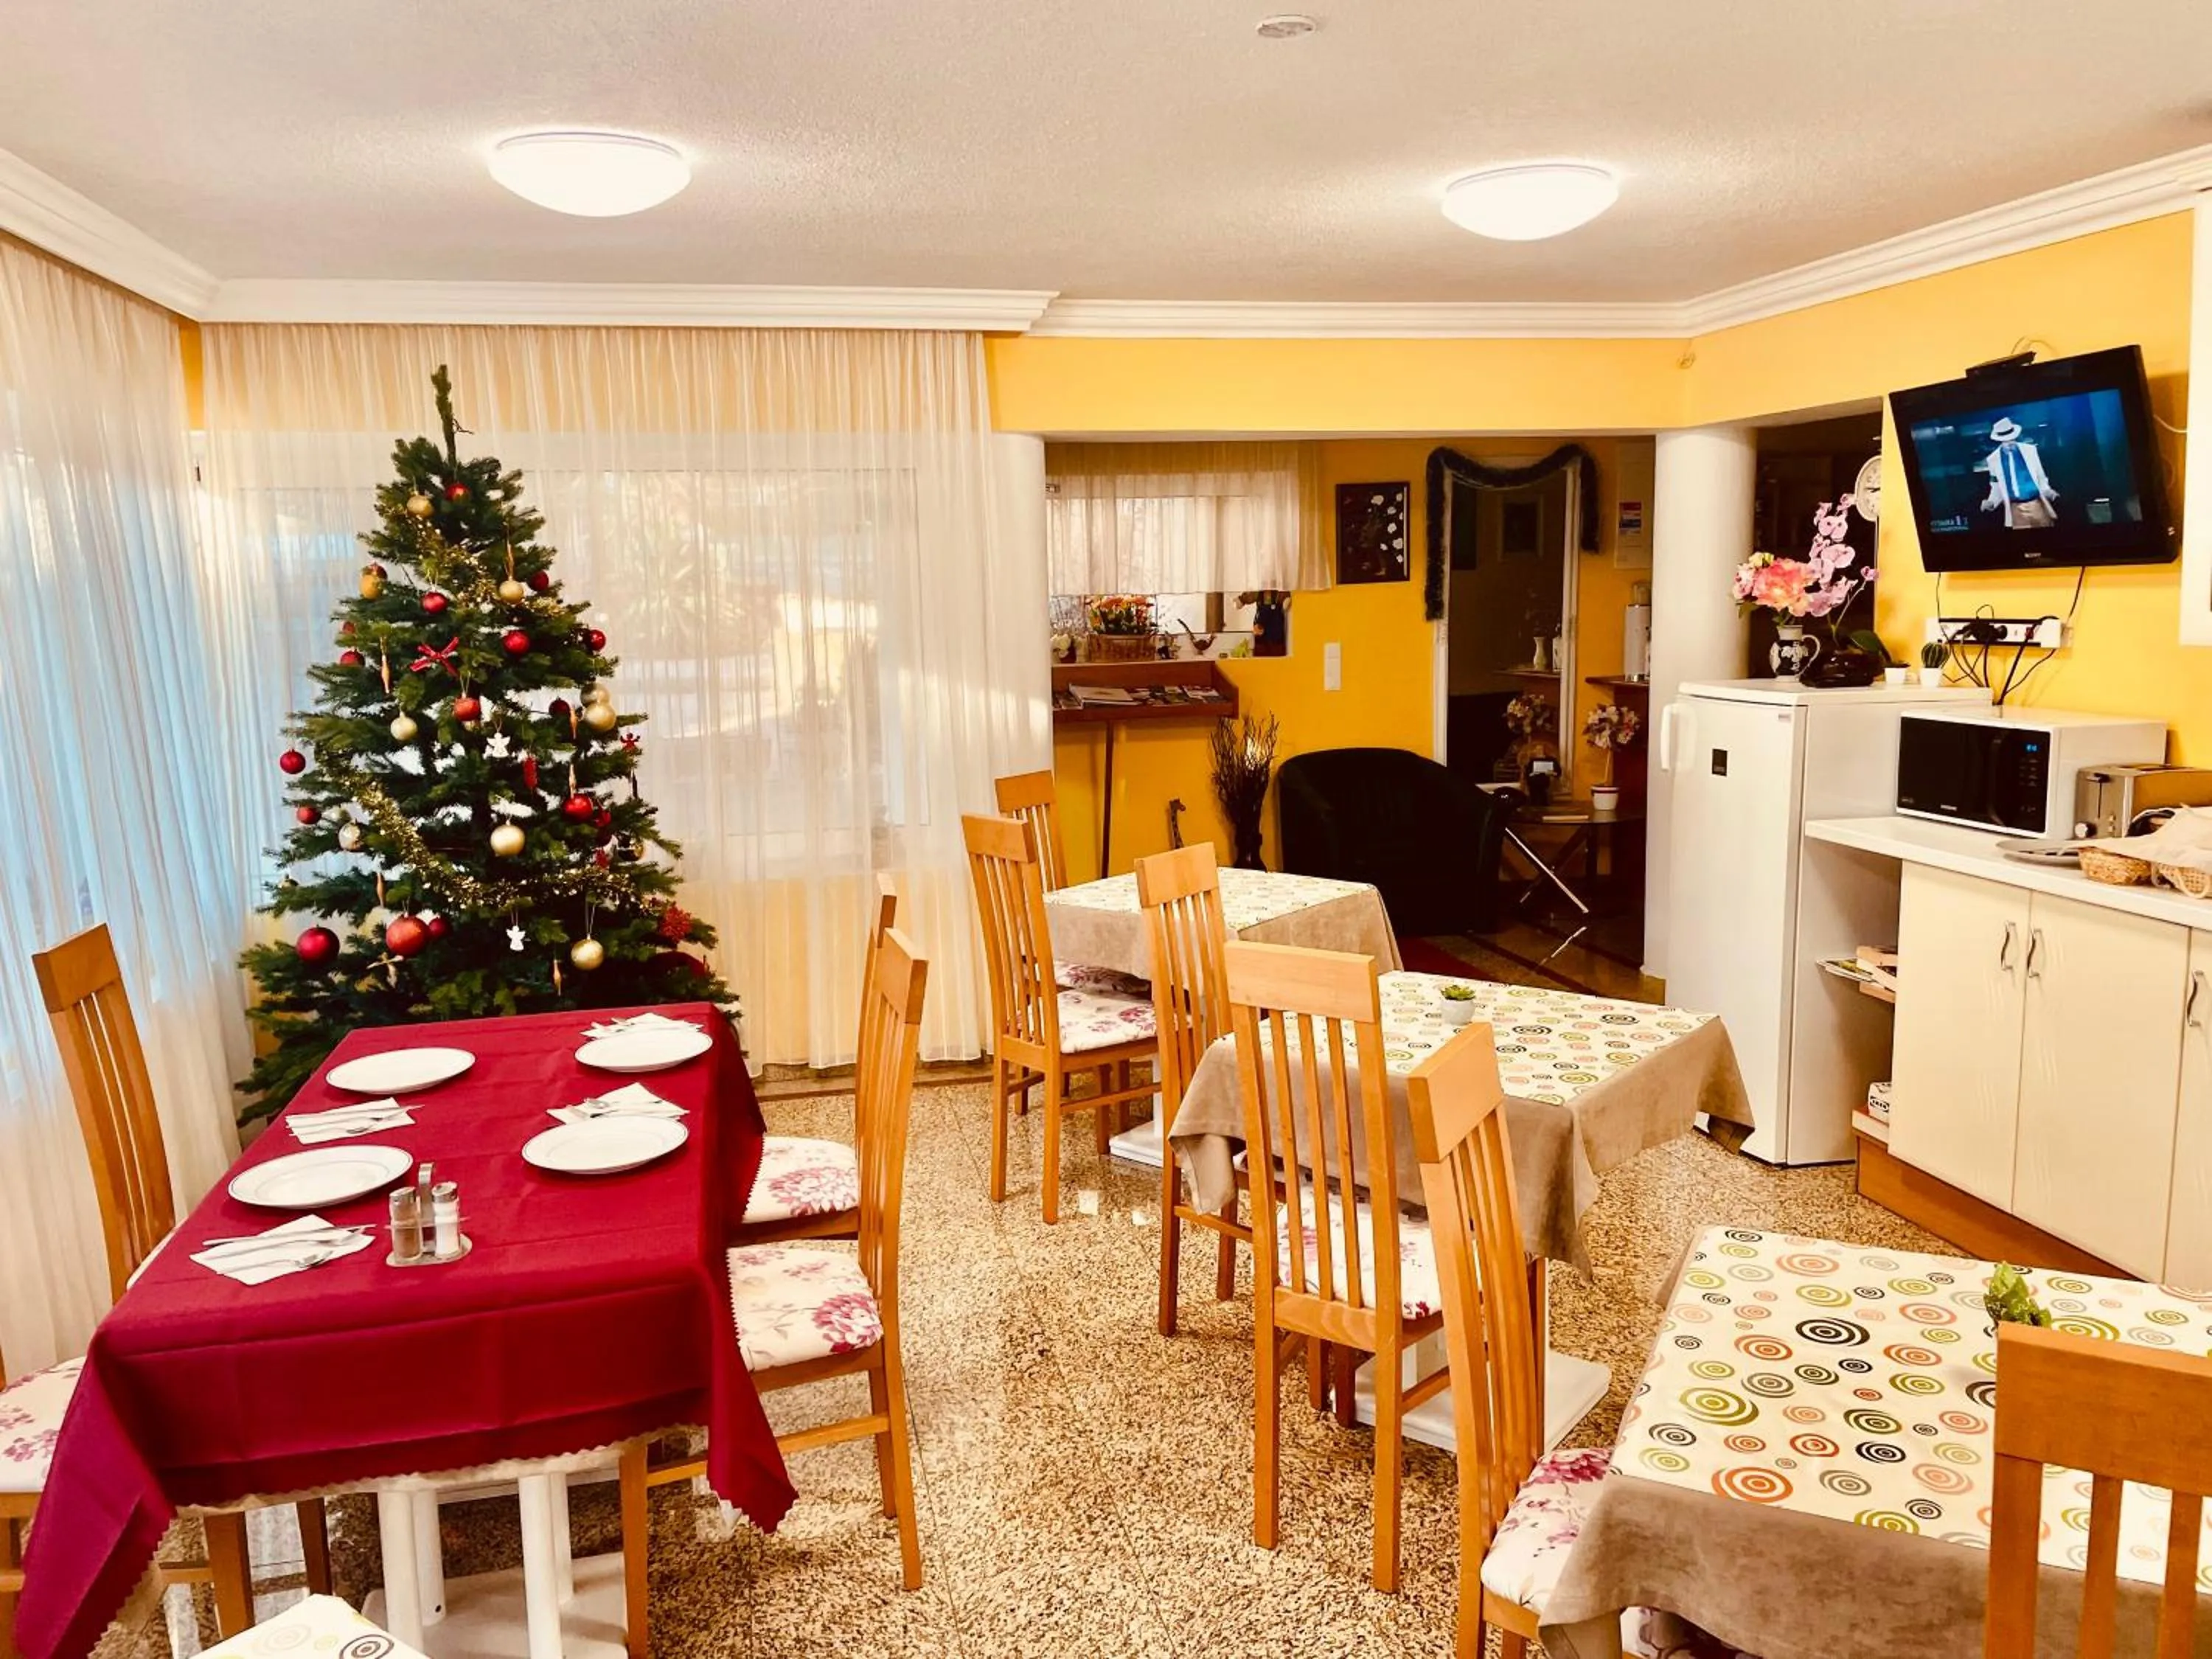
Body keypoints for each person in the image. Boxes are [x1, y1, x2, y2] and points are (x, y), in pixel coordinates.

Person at [1978, 415, 2059, 529]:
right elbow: (1996, 486)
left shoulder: (2030, 451)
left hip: (2037, 505)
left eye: (2012, 438)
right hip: (2016, 509)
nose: (2010, 442)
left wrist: (2047, 490)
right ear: (1999, 440)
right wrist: (1991, 502)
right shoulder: (1993, 459)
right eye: (2006, 440)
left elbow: (2041, 476)